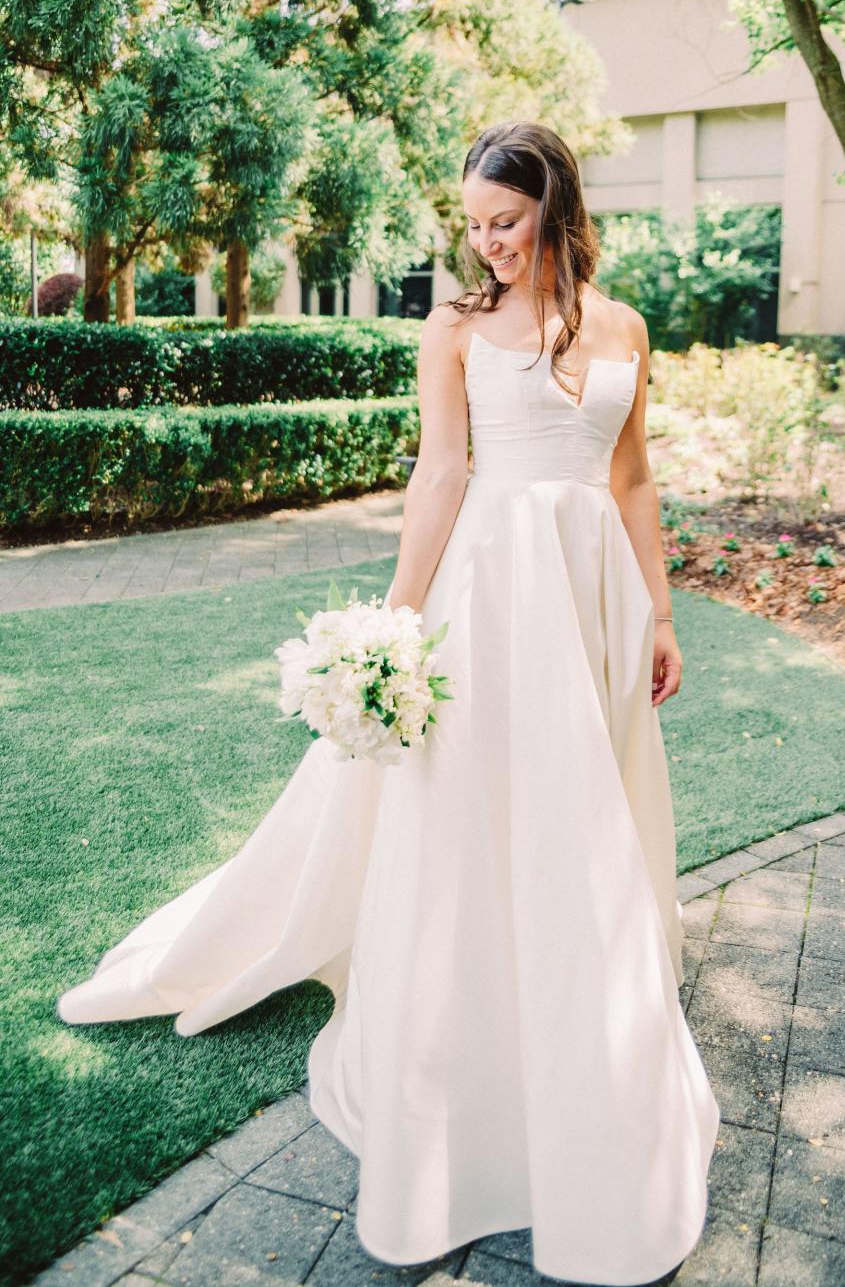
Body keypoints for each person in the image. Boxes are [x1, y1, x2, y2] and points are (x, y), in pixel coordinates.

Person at [57, 121, 721, 1286]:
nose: (486, 242)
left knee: (584, 812)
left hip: (596, 600)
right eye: (473, 223)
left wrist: (661, 614)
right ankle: (463, 1048)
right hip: (493, 594)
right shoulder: (454, 327)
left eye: (504, 221)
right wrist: (398, 617)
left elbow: (632, 475)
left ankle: (583, 1022)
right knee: (472, 807)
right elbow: (442, 471)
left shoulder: (625, 328)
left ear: (555, 206)